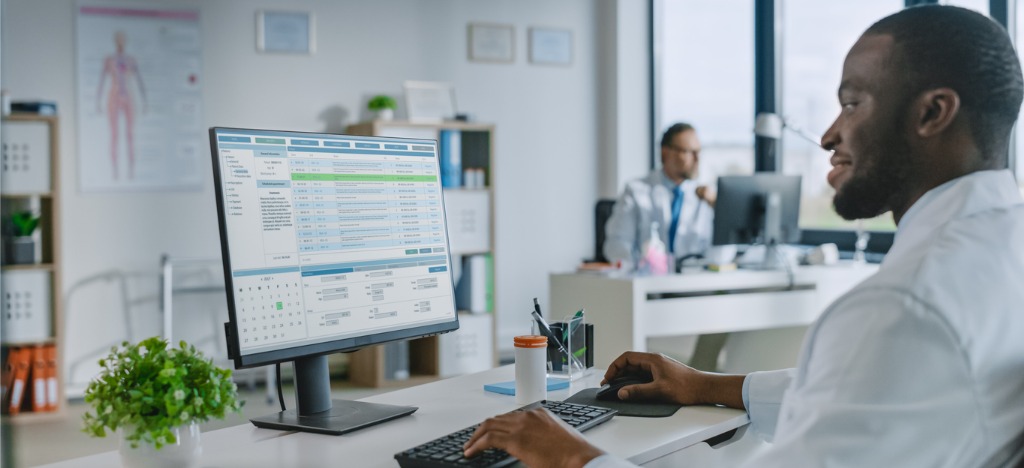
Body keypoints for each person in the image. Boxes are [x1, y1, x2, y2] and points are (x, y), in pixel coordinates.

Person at [464, 5, 1024, 467]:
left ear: (932, 113)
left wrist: (571, 456)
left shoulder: (903, 306)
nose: (830, 134)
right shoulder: (1003, 243)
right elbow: (873, 393)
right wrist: (704, 385)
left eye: (852, 103)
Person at [603, 123, 716, 268]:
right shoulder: (636, 190)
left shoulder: (708, 196)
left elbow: (721, 257)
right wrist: (639, 268)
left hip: (694, 283)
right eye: (689, 151)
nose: (697, 159)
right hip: (650, 283)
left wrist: (719, 209)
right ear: (665, 153)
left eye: (699, 151)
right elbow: (617, 244)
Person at [96, 30, 146, 180]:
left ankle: (131, 171)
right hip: (114, 95)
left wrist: (145, 101)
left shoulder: (131, 60)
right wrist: (97, 102)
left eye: (122, 39)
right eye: (118, 39)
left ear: (125, 41)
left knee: (130, 135)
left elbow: (139, 80)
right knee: (114, 135)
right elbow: (101, 80)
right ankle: (115, 171)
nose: (120, 42)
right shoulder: (109, 60)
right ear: (115, 41)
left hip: (128, 96)